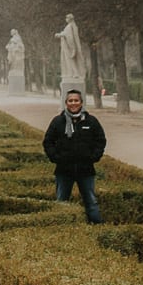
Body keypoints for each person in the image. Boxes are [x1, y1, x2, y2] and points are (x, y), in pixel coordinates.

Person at [41, 88, 107, 224]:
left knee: (91, 202)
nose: (73, 103)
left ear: (81, 102)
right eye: (70, 101)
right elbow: (47, 141)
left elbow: (100, 140)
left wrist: (93, 157)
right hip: (64, 170)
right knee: (61, 202)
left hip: (86, 170)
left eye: (76, 100)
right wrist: (56, 157)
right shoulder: (58, 121)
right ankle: (59, 227)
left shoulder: (91, 121)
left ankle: (97, 226)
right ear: (66, 103)